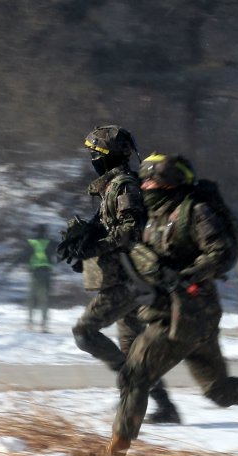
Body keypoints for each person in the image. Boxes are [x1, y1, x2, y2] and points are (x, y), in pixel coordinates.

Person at [73, 153, 238, 456]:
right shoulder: (152, 214)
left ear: (165, 182)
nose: (144, 185)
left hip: (183, 315)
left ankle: (115, 455)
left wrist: (184, 275)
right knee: (219, 390)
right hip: (190, 316)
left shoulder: (194, 211)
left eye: (148, 179)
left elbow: (221, 253)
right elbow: (129, 247)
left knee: (135, 374)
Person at [58, 125, 180, 425]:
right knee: (133, 348)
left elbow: (130, 232)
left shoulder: (123, 186)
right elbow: (112, 229)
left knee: (84, 334)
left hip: (127, 281)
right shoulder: (113, 187)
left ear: (106, 157)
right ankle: (163, 408)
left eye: (94, 153)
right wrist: (85, 246)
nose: (91, 159)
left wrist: (93, 247)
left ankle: (134, 394)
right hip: (125, 278)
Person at [13, 224, 55, 332]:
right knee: (44, 299)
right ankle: (44, 325)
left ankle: (30, 323)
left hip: (34, 274)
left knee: (31, 298)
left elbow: (22, 256)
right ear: (46, 232)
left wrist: (13, 265)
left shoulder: (31, 243)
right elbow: (62, 252)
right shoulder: (50, 242)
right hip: (46, 273)